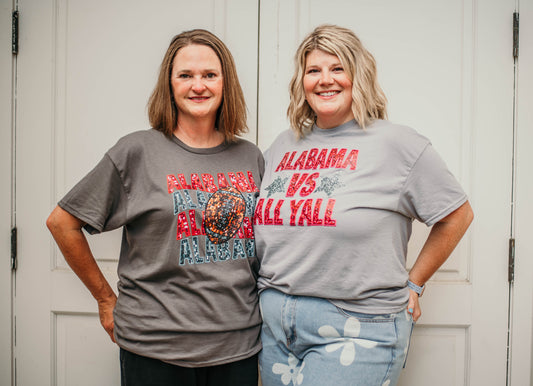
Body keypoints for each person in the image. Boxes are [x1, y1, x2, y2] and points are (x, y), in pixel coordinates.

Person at [254, 24, 474, 386]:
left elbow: (457, 214)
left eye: (338, 68)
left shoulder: (398, 144)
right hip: (276, 329)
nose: (325, 80)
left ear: (359, 74)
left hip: (355, 329)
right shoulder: (283, 144)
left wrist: (415, 283)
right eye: (314, 70)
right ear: (301, 82)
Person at [46, 29, 264, 386]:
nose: (198, 86)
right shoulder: (137, 151)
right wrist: (105, 300)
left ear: (226, 83)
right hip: (155, 349)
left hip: (238, 348)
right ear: (170, 84)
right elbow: (62, 222)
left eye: (210, 75)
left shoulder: (249, 156)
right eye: (185, 75)